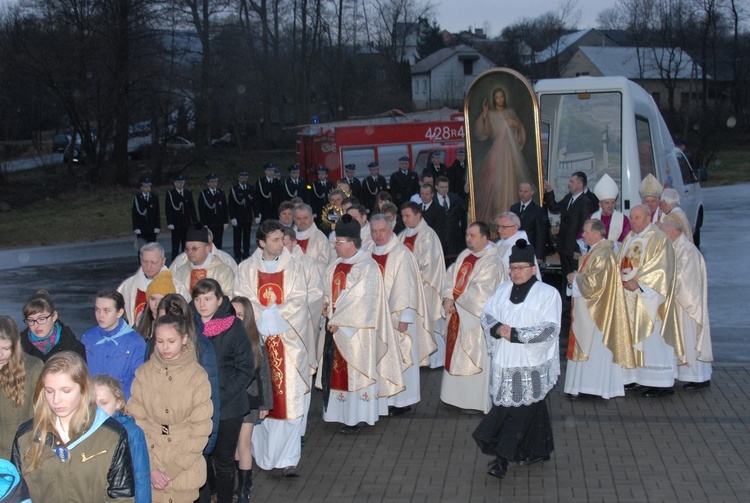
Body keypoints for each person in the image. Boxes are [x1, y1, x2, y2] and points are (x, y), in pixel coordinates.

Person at [473, 240, 561, 479]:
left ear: (533, 269)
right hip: (505, 358)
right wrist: (498, 327)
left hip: (531, 361)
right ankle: (539, 448)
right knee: (532, 405)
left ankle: (502, 459)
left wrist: (518, 335)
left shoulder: (547, 293)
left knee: (513, 411)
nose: (517, 272)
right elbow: (487, 314)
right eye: (513, 268)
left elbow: (550, 328)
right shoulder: (502, 289)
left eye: (522, 267)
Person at [235, 220, 310, 478]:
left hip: (287, 343)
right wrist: (263, 320)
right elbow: (242, 301)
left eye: (282, 238)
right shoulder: (245, 269)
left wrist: (274, 316)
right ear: (262, 243)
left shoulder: (295, 266)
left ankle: (289, 459)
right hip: (258, 343)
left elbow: (300, 300)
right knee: (261, 400)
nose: (282, 244)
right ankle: (261, 454)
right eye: (276, 240)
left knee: (287, 400)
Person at [318, 214, 405, 433]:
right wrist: (326, 305)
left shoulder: (367, 267)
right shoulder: (335, 265)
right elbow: (328, 292)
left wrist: (339, 320)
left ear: (352, 243)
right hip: (335, 329)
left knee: (356, 373)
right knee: (337, 373)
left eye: (338, 242)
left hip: (356, 333)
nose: (335, 246)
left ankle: (358, 417)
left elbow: (363, 300)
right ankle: (339, 414)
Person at [12, 351, 135, 501]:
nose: (56, 400)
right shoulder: (26, 436)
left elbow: (121, 496)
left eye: (66, 391)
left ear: (84, 389)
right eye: (49, 391)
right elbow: (16, 494)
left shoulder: (112, 435)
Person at [127, 315, 213, 503]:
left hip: (185, 466)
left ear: (183, 339)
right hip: (151, 459)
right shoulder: (144, 373)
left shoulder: (197, 376)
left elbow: (201, 428)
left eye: (171, 341)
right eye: (160, 341)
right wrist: (150, 466)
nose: (165, 347)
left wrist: (173, 469)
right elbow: (136, 421)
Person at [191, 278, 254, 503]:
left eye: (207, 299)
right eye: (197, 299)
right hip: (197, 404)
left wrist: (221, 396)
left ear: (219, 300)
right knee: (200, 458)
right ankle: (211, 495)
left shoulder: (233, 326)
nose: (202, 304)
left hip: (228, 405)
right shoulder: (189, 326)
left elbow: (246, 368)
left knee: (224, 461)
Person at [154, 294, 220, 502]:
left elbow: (212, 398)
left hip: (191, 434)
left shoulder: (201, 347)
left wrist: (208, 442)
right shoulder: (153, 347)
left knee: (195, 485)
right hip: (162, 435)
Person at [370, 214, 435, 415]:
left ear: (390, 231)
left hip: (397, 317)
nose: (378, 235)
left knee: (400, 356)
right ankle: (382, 398)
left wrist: (405, 317)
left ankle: (401, 401)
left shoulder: (401, 253)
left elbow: (407, 287)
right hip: (374, 318)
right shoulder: (367, 253)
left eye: (382, 231)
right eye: (374, 231)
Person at [564, 219, 634, 399]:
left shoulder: (603, 253)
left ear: (597, 233)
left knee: (594, 349)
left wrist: (575, 278)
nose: (583, 234)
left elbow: (595, 284)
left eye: (586, 231)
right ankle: (582, 386)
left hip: (597, 313)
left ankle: (593, 388)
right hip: (588, 311)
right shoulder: (595, 251)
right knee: (587, 346)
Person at [441, 222, 506, 413]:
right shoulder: (465, 255)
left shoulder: (492, 262)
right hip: (458, 315)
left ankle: (474, 402)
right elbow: (450, 277)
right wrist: (447, 298)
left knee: (474, 356)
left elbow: (482, 293)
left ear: (485, 238)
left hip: (476, 321)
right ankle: (454, 398)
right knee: (455, 356)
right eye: (467, 234)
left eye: (473, 235)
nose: (468, 238)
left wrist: (456, 303)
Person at [618, 204, 680, 398]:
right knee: (634, 340)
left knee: (653, 341)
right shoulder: (630, 238)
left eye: (637, 218)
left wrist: (638, 283)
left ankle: (661, 383)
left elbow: (662, 268)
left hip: (651, 300)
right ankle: (638, 378)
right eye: (631, 218)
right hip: (630, 298)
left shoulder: (659, 239)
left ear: (647, 218)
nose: (633, 221)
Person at [660, 219, 712, 390]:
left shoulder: (687, 250)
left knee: (689, 338)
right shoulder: (675, 247)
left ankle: (699, 377)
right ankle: (686, 374)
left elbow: (683, 278)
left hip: (687, 306)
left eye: (663, 233)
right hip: (678, 304)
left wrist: (661, 282)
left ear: (671, 232)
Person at [229, 297, 273, 502]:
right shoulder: (227, 337)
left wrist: (265, 404)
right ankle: (241, 482)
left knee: (244, 443)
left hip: (251, 399)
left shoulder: (255, 341)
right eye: (233, 314)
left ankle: (245, 488)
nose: (237, 318)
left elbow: (264, 375)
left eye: (240, 315)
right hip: (232, 399)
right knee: (236, 444)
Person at [398, 202, 447, 369]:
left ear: (418, 215)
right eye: (403, 216)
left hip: (424, 285)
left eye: (407, 216)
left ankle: (437, 360)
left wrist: (407, 274)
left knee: (429, 321)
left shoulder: (428, 235)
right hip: (408, 287)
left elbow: (429, 264)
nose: (404, 219)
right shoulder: (403, 235)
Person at [472, 88, 528, 224]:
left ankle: (511, 215)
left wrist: (516, 124)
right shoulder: (490, 114)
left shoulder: (510, 113)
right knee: (497, 184)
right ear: (494, 99)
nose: (500, 100)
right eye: (497, 97)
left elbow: (520, 130)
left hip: (510, 152)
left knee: (510, 182)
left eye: (502, 97)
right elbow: (482, 133)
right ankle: (499, 213)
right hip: (497, 152)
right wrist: (484, 114)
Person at [93, 374, 151, 503]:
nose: (98, 410)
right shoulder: (85, 432)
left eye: (104, 403)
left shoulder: (132, 432)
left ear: (118, 403)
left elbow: (141, 476)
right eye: (92, 403)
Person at [81, 290, 145, 401]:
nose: (100, 315)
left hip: (122, 404)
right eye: (97, 310)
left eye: (107, 311)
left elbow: (137, 379)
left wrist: (120, 402)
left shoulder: (135, 342)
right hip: (92, 402)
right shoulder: (88, 337)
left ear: (119, 313)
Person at [0, 317, 43, 459]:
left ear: (15, 345)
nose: (0, 355)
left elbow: (41, 413)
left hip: (23, 452)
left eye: (6, 348)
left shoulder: (33, 367)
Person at [118, 242, 190, 325]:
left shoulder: (177, 287)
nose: (148, 266)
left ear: (163, 261)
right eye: (145, 261)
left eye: (153, 262)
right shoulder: (127, 287)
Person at [544, 171, 599, 279]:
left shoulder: (585, 202)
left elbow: (584, 228)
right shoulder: (569, 198)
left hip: (574, 249)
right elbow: (554, 207)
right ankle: (566, 296)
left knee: (575, 277)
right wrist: (549, 191)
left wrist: (578, 249)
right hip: (564, 247)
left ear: (580, 184)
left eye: (572, 181)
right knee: (566, 278)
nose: (569, 184)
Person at [19, 289, 86, 363]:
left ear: (54, 316)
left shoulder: (74, 348)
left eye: (41, 319)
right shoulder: (17, 348)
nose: (36, 325)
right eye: (31, 320)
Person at [172, 223, 236, 296]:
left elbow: (229, 299)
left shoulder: (224, 272)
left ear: (207, 248)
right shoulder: (181, 271)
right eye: (187, 249)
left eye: (194, 248)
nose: (189, 252)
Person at [590, 174, 631, 253]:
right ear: (600, 204)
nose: (610, 206)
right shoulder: (593, 218)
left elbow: (627, 238)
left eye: (612, 202)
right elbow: (583, 236)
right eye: (607, 203)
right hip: (596, 255)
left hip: (615, 255)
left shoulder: (623, 219)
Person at [510, 182, 547, 264]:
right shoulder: (514, 208)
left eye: (526, 192)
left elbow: (540, 234)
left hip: (529, 248)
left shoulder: (537, 210)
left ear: (532, 193)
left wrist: (539, 255)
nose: (522, 194)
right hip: (514, 248)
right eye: (521, 191)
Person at [494, 212, 539, 278]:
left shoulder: (521, 246)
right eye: (498, 227)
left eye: (503, 227)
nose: (499, 230)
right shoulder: (499, 243)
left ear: (515, 228)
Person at [134, 270, 176, 341]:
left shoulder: (177, 325)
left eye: (161, 300)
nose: (157, 304)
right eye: (153, 299)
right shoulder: (140, 323)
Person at [293, 203, 332, 280]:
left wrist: (304, 275)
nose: (302, 221)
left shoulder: (320, 238)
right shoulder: (289, 237)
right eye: (299, 218)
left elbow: (323, 264)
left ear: (312, 218)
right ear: (294, 219)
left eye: (305, 218)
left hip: (312, 282)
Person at [434, 176, 467, 265]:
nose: (444, 190)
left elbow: (464, 207)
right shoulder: (433, 200)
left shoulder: (455, 198)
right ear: (436, 187)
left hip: (454, 239)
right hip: (439, 239)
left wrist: (466, 193)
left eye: (446, 187)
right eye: (442, 187)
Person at [165, 174, 198, 262]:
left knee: (186, 245)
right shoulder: (171, 194)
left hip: (186, 224)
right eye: (178, 183)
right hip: (176, 224)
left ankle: (186, 261)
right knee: (175, 246)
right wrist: (170, 222)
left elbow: (192, 209)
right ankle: (174, 263)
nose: (180, 185)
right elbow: (168, 209)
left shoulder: (187, 193)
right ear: (175, 184)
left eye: (182, 183)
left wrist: (195, 222)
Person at [228, 170, 255, 261]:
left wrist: (256, 214)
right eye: (242, 178)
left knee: (247, 236)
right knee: (237, 237)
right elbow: (231, 204)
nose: (244, 179)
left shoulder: (250, 189)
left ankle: (246, 253)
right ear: (239, 178)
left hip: (247, 217)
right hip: (238, 217)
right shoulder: (234, 189)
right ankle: (237, 254)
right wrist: (232, 217)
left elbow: (254, 203)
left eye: (245, 178)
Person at [198, 173, 228, 250]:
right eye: (212, 182)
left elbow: (225, 208)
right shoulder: (204, 194)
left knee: (219, 241)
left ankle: (218, 256)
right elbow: (202, 210)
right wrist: (204, 223)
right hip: (209, 222)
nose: (214, 183)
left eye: (215, 181)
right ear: (208, 183)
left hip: (219, 221)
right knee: (210, 242)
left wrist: (225, 221)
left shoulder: (220, 192)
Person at [132, 177, 161, 244]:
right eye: (145, 187)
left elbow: (157, 213)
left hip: (152, 227)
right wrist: (136, 227)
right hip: (141, 228)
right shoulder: (137, 198)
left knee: (152, 247)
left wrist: (157, 226)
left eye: (149, 187)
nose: (147, 189)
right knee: (141, 248)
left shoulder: (154, 198)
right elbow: (134, 214)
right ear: (141, 188)